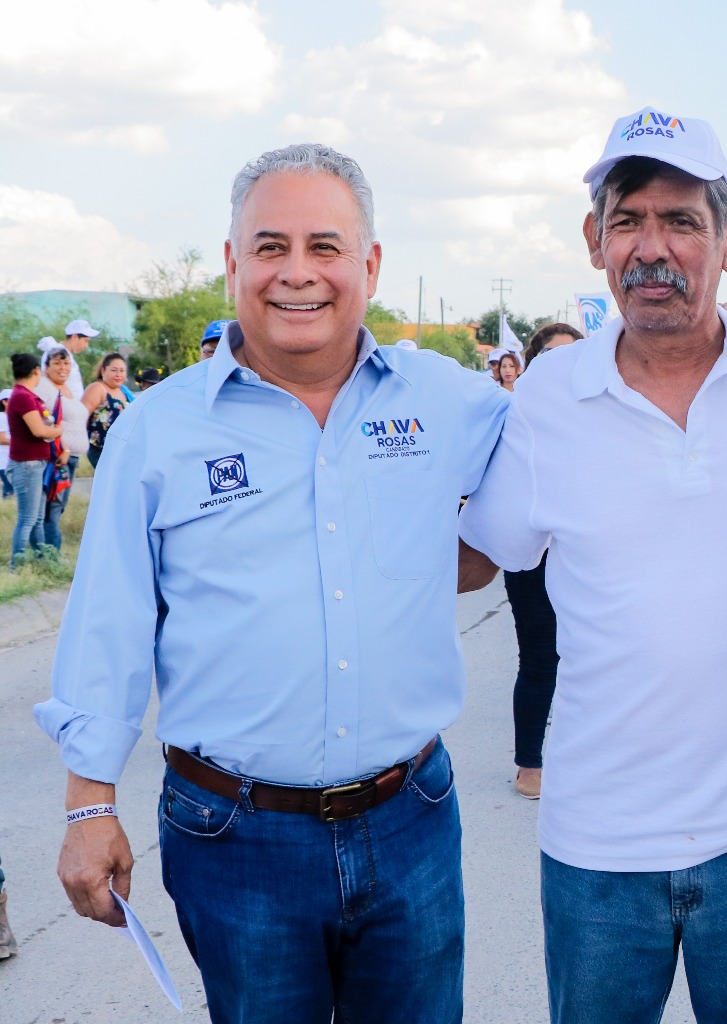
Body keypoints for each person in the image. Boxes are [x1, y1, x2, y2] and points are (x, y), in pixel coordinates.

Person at [35, 143, 508, 1024]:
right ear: (231, 265)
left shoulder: (452, 401)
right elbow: (109, 626)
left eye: (326, 247)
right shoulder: (159, 431)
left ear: (368, 265)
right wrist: (85, 807)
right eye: (270, 247)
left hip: (410, 820)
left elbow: (586, 420)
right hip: (234, 837)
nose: (298, 274)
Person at [460, 108, 727, 1024]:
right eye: (627, 220)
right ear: (594, 242)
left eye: (682, 221)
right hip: (596, 842)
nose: (651, 248)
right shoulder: (550, 392)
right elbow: (484, 553)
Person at [501, 322, 584, 800]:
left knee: (597, 657)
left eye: (574, 355)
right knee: (539, 658)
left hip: (591, 555)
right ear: (532, 365)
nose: (564, 365)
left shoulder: (606, 411)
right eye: (552, 356)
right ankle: (529, 762)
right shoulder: (514, 412)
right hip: (533, 556)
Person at [6, 354, 61, 570]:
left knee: (37, 518)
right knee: (27, 519)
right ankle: (16, 565)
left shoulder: (24, 395)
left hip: (35, 463)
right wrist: (57, 430)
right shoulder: (23, 396)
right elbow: (39, 430)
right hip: (27, 464)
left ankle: (41, 560)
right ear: (36, 371)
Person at [35, 345, 91, 552]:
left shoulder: (67, 388)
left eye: (66, 363)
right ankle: (50, 554)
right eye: (57, 363)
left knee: (58, 508)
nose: (63, 368)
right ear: (46, 367)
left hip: (72, 457)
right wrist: (64, 448)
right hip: (57, 457)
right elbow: (44, 420)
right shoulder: (43, 387)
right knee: (51, 509)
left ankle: (50, 552)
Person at [81, 352, 132, 468]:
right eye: (114, 370)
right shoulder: (97, 388)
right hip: (100, 450)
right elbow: (80, 417)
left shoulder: (124, 391)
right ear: (103, 370)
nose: (118, 374)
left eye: (122, 370)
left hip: (121, 450)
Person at [62, 320, 99, 398]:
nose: (86, 345)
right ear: (74, 337)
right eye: (85, 341)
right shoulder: (56, 354)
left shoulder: (68, 356)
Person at [0, 389, 12, 500]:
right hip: (4, 462)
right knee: (10, 490)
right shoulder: (1, 417)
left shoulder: (12, 417)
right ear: (4, 402)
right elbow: (1, 438)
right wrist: (18, 442)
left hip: (12, 461)